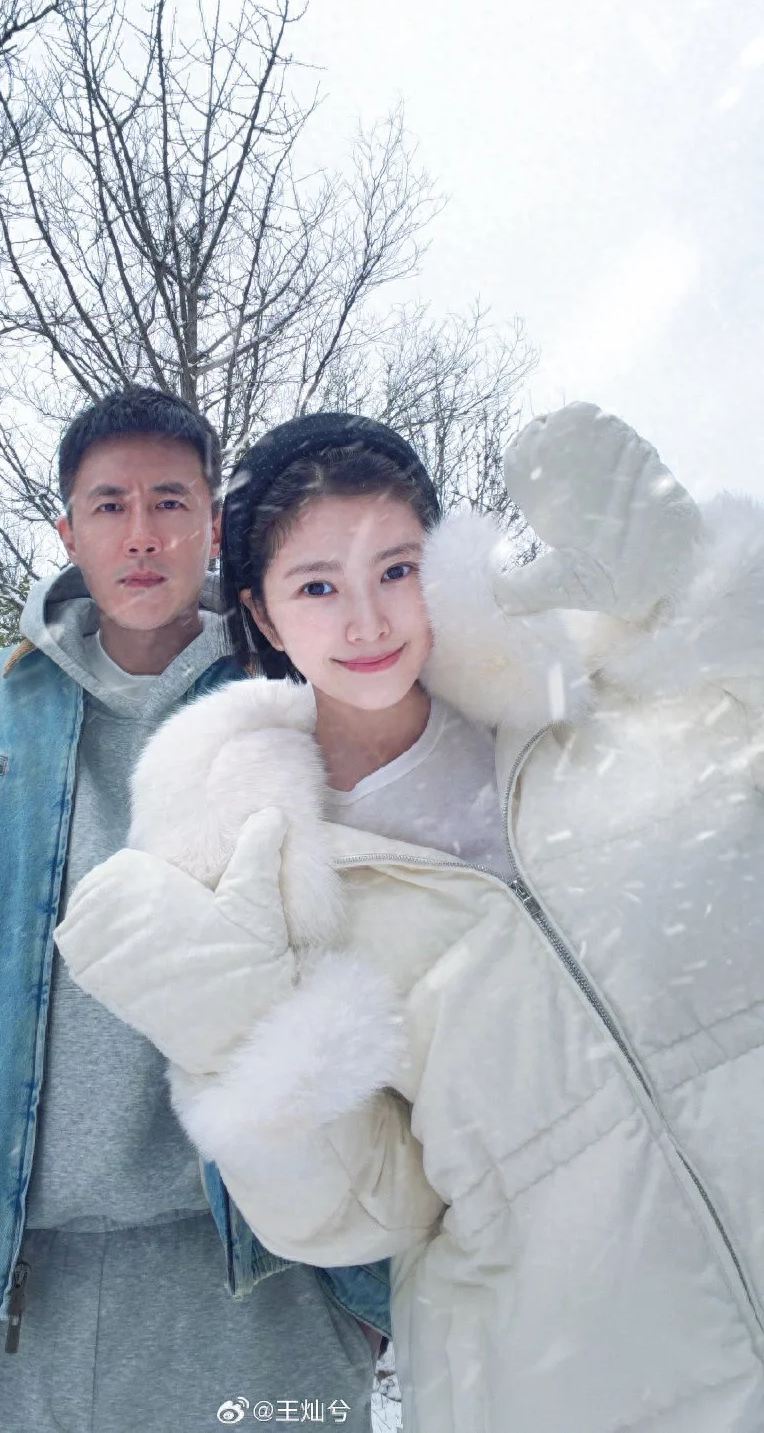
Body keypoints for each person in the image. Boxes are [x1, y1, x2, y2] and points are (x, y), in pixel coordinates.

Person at [57, 403, 764, 1433]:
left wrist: (709, 611)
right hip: (579, 1376)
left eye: (396, 568)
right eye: (316, 586)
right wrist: (236, 1042)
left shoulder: (594, 705)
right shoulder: (265, 875)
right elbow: (364, 1213)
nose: (367, 622)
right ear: (261, 612)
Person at [0, 386, 384, 1433]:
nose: (141, 533)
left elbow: (406, 976)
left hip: (257, 1301)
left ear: (214, 525)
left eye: (171, 501)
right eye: (110, 504)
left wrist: (364, 1294)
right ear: (68, 531)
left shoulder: (313, 716)